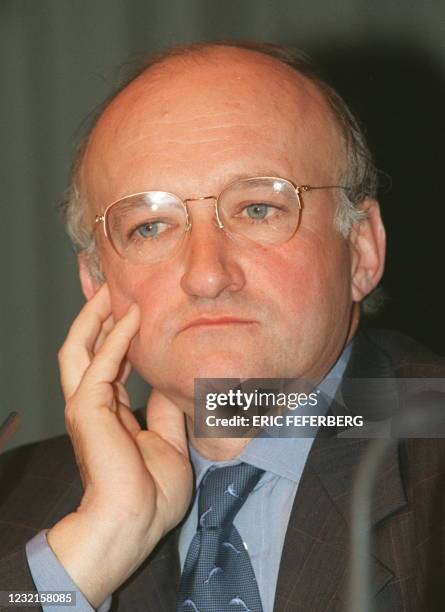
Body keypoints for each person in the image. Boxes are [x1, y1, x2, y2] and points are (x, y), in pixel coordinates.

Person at [1, 41, 445, 612]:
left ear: (360, 249)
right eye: (151, 227)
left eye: (258, 209)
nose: (207, 276)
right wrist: (92, 551)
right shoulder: (14, 495)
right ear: (97, 284)